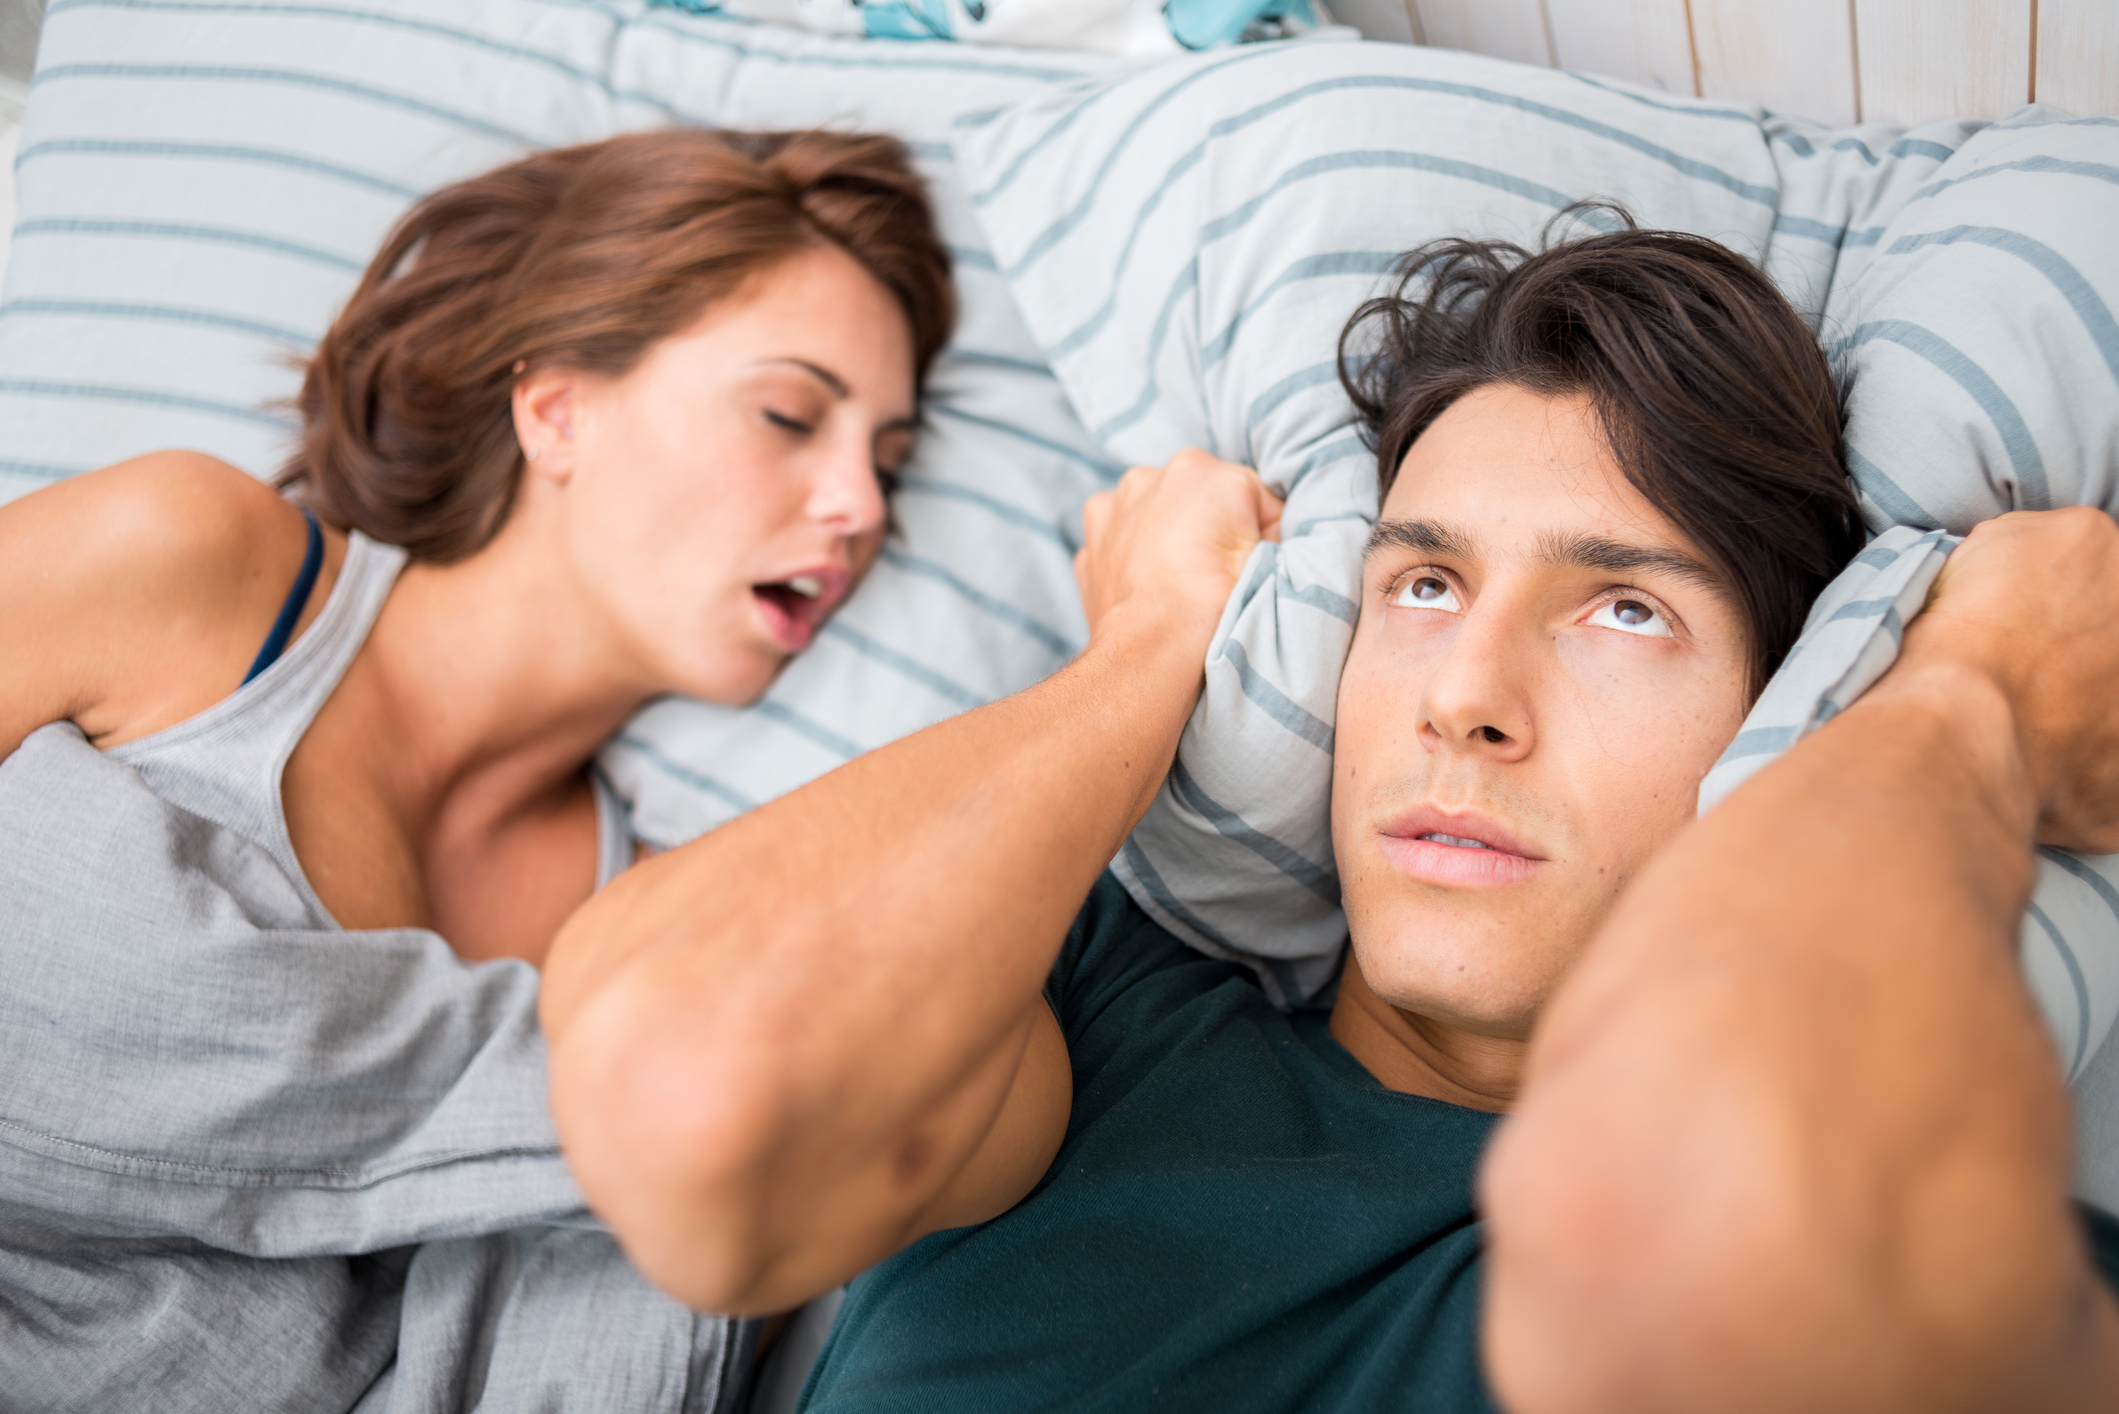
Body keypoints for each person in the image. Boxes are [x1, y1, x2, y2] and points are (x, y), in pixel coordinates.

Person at [540, 227, 2119, 1411]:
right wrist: (1152, 638)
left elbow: (1733, 1261)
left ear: (1781, 712)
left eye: (1622, 611)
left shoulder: (1969, 1244)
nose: (1462, 697)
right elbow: (699, 1096)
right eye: (1419, 586)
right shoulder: (1099, 1027)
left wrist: (1963, 702)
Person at [0, 128, 951, 1411]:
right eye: (789, 415)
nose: (860, 507)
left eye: (887, 463)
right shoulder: (192, 565)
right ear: (558, 409)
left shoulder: (652, 933)